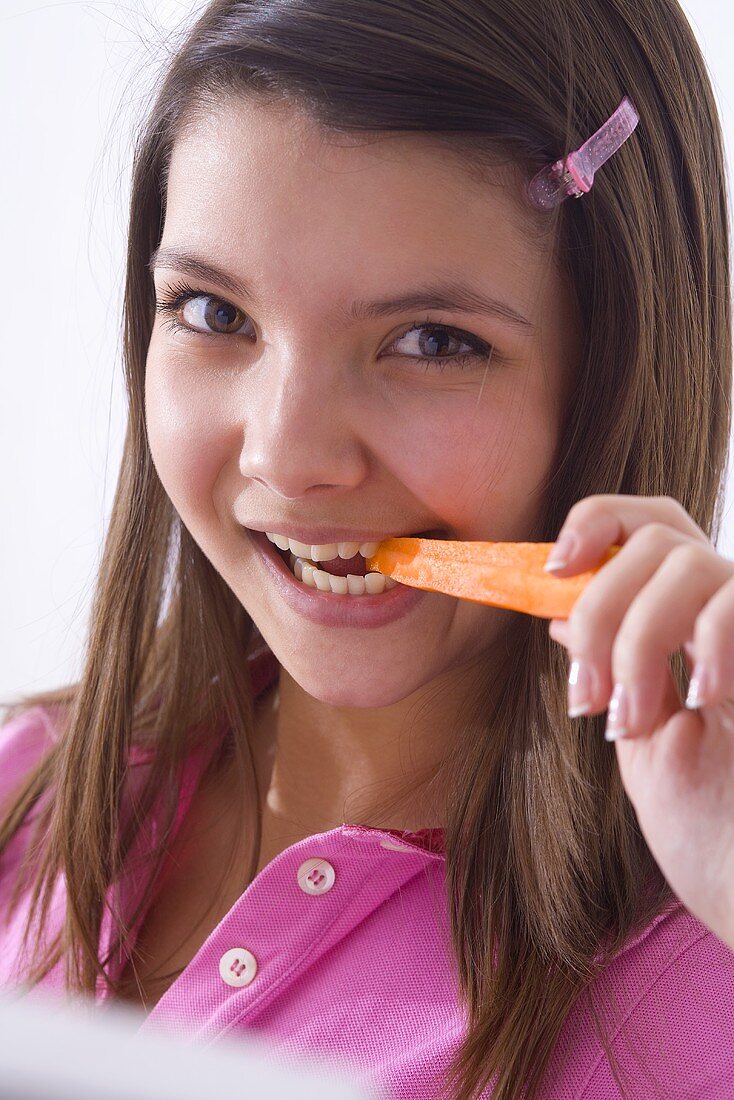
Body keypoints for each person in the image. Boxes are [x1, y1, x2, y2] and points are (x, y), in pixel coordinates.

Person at [1, 1, 733, 1097]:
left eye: (432, 342)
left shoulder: (699, 970)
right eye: (212, 312)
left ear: (610, 379)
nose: (289, 456)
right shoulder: (24, 791)